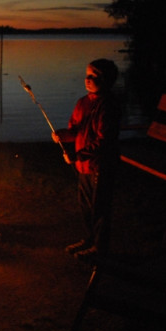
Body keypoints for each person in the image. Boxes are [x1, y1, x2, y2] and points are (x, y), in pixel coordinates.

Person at [52, 59, 121, 260]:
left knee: (99, 207)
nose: (88, 79)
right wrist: (62, 135)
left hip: (100, 166)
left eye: (94, 76)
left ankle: (100, 249)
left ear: (106, 80)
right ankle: (90, 240)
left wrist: (78, 154)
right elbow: (75, 130)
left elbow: (104, 141)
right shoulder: (82, 102)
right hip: (83, 166)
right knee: (86, 206)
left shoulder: (108, 106)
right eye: (87, 75)